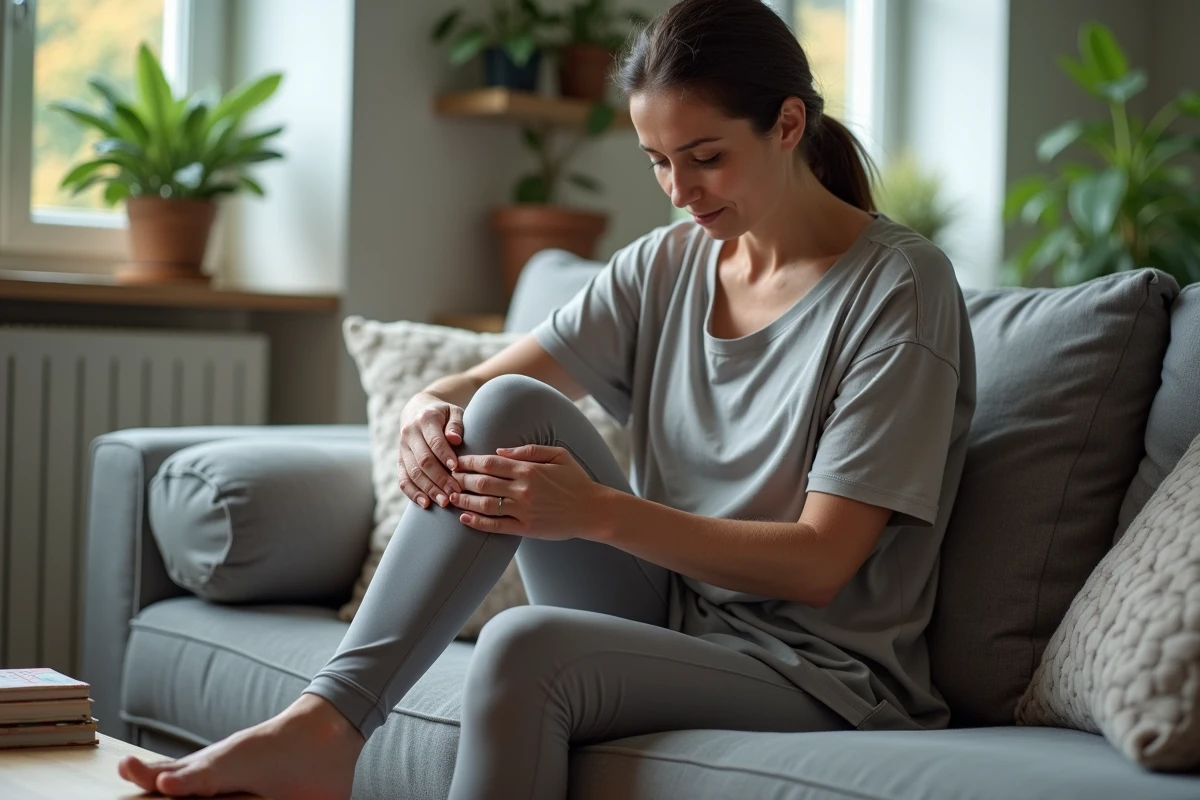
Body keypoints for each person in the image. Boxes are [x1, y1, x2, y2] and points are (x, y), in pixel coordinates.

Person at [118, 0, 976, 797]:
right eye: (658, 163)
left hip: (815, 667)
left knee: (525, 643)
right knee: (503, 408)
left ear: (789, 123)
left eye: (706, 157)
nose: (680, 191)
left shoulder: (899, 288)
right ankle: (327, 723)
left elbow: (820, 563)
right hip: (677, 609)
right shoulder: (668, 263)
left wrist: (597, 511)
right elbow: (487, 385)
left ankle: (325, 731)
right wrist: (427, 405)